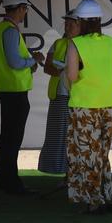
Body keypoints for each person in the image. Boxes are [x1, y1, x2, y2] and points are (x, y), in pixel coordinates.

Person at [65, 0, 112, 214]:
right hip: (110, 103)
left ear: (81, 22)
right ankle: (108, 196)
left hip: (84, 105)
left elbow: (71, 75)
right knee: (102, 153)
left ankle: (93, 199)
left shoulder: (76, 44)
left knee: (87, 153)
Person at [0, 0, 45, 195]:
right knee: (11, 139)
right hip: (15, 91)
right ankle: (10, 182)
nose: (25, 13)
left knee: (7, 138)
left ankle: (7, 180)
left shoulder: (0, 29)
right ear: (21, 8)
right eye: (25, 9)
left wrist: (28, 63)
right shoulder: (10, 31)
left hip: (8, 89)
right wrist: (35, 60)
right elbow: (14, 62)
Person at [38, 10, 82, 177]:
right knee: (58, 136)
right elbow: (47, 67)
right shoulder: (58, 43)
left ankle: (77, 175)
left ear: (81, 26)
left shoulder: (84, 45)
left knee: (77, 137)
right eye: (67, 23)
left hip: (79, 97)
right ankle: (63, 173)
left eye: (73, 23)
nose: (68, 26)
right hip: (59, 96)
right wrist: (56, 69)